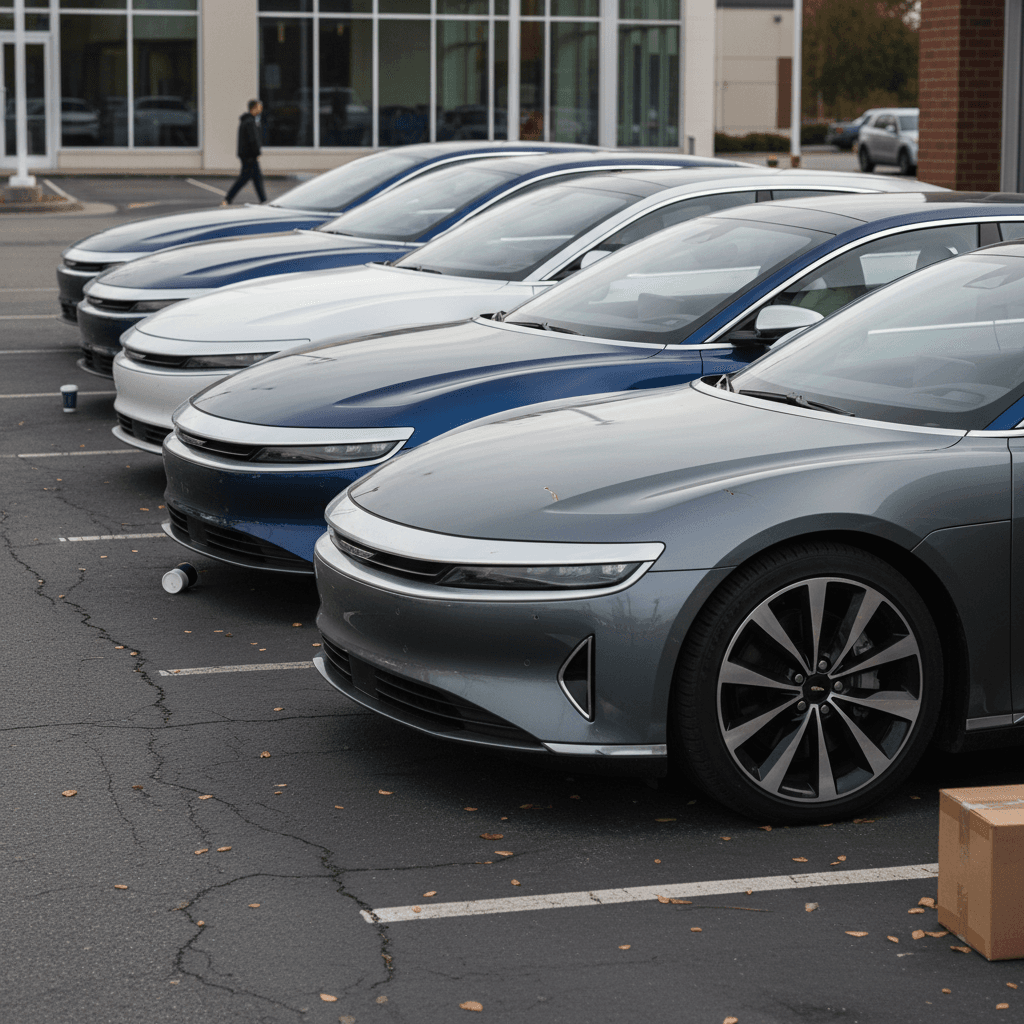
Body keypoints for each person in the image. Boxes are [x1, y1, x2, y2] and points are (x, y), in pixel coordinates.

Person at [222, 100, 266, 205]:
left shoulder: (247, 121)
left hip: (247, 155)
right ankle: (227, 199)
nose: (261, 109)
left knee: (256, 179)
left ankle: (263, 200)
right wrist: (257, 152)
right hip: (249, 156)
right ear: (254, 108)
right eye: (259, 107)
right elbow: (253, 140)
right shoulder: (250, 122)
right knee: (244, 179)